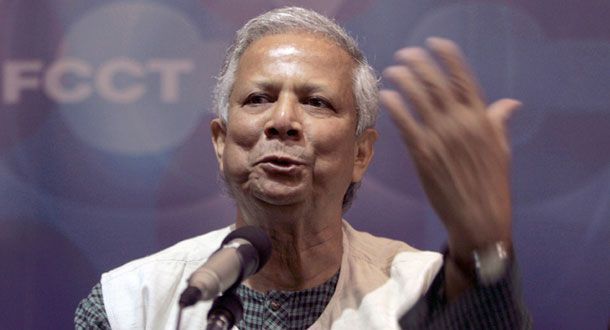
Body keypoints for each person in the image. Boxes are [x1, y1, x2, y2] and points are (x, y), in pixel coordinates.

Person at [75, 7, 531, 329]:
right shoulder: (131, 304)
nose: (282, 121)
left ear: (361, 155)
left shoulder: (423, 288)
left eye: (316, 102)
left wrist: (481, 253)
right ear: (221, 141)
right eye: (258, 99)